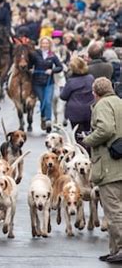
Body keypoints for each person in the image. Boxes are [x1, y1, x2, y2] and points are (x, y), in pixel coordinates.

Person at [82, 77, 122, 264]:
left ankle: (120, 248)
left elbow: (106, 129)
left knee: (113, 211)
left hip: (109, 166)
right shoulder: (119, 102)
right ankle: (115, 250)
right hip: (119, 164)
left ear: (95, 92)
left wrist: (88, 140)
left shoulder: (102, 104)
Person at [30, 36, 63, 133]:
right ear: (40, 44)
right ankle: (43, 117)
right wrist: (31, 69)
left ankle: (48, 120)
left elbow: (60, 67)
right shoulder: (35, 54)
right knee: (42, 101)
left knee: (48, 101)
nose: (45, 45)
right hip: (37, 82)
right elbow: (29, 65)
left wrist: (52, 70)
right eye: (43, 43)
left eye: (47, 43)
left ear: (49, 44)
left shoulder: (52, 55)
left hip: (49, 82)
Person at [60, 57, 94, 149]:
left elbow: (63, 96)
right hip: (89, 110)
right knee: (89, 133)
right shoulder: (90, 78)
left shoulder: (71, 82)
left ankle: (81, 152)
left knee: (78, 135)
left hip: (75, 112)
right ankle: (89, 152)